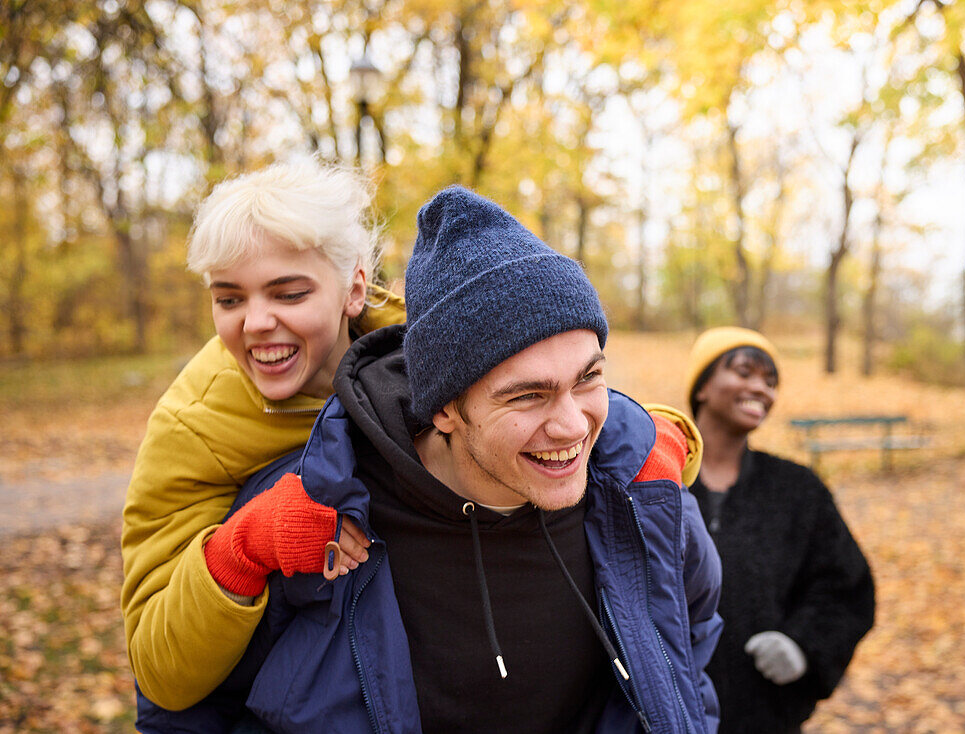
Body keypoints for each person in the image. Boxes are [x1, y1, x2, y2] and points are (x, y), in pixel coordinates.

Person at [202, 186, 723, 733]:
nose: (573, 425)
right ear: (446, 409)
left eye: (588, 378)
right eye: (528, 395)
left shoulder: (643, 497)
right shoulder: (315, 512)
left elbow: (689, 654)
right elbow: (200, 708)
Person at [120, 159, 404, 713]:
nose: (253, 323)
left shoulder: (420, 353)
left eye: (288, 293)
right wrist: (245, 546)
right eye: (229, 299)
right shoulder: (192, 425)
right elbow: (159, 668)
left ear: (354, 289)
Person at [685, 327, 875, 734]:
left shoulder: (798, 489)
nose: (761, 388)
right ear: (702, 387)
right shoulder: (651, 483)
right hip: (657, 714)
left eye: (770, 382)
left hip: (763, 714)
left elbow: (847, 586)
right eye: (744, 372)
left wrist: (803, 645)